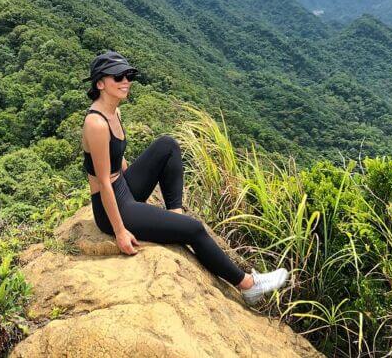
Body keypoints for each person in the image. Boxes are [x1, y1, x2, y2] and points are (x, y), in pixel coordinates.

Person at [80, 50, 289, 306]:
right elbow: (103, 182)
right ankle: (249, 285)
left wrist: (140, 185)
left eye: (129, 75)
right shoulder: (96, 123)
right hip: (109, 205)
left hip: (122, 186)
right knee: (194, 229)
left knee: (167, 145)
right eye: (118, 77)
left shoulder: (115, 112)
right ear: (100, 83)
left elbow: (118, 159)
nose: (126, 81)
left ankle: (175, 214)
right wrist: (120, 231)